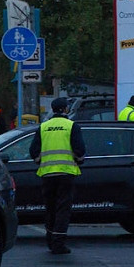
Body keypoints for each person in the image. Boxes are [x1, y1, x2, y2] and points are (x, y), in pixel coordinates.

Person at [28, 97, 86, 254]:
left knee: (50, 208)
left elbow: (33, 150)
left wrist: (39, 159)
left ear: (53, 110)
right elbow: (80, 149)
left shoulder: (44, 127)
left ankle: (49, 239)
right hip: (66, 173)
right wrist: (78, 158)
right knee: (62, 209)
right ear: (66, 109)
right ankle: (58, 242)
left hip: (47, 173)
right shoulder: (71, 126)